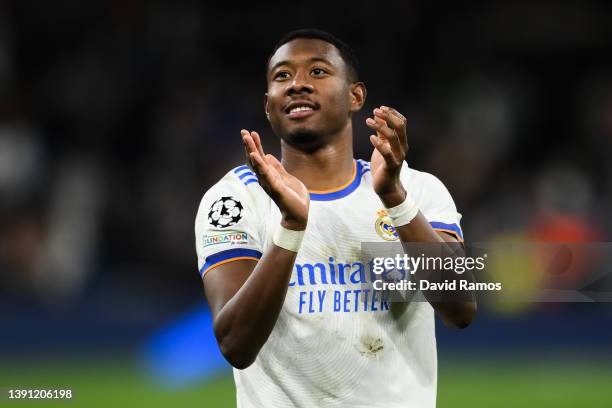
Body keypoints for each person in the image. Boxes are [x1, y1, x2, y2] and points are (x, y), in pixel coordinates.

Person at [195, 28, 476, 408]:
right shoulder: (235, 199)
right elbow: (236, 345)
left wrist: (396, 201)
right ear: (268, 105)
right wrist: (290, 230)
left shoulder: (415, 189)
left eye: (317, 72)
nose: (297, 85)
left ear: (355, 96)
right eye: (282, 76)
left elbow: (460, 308)